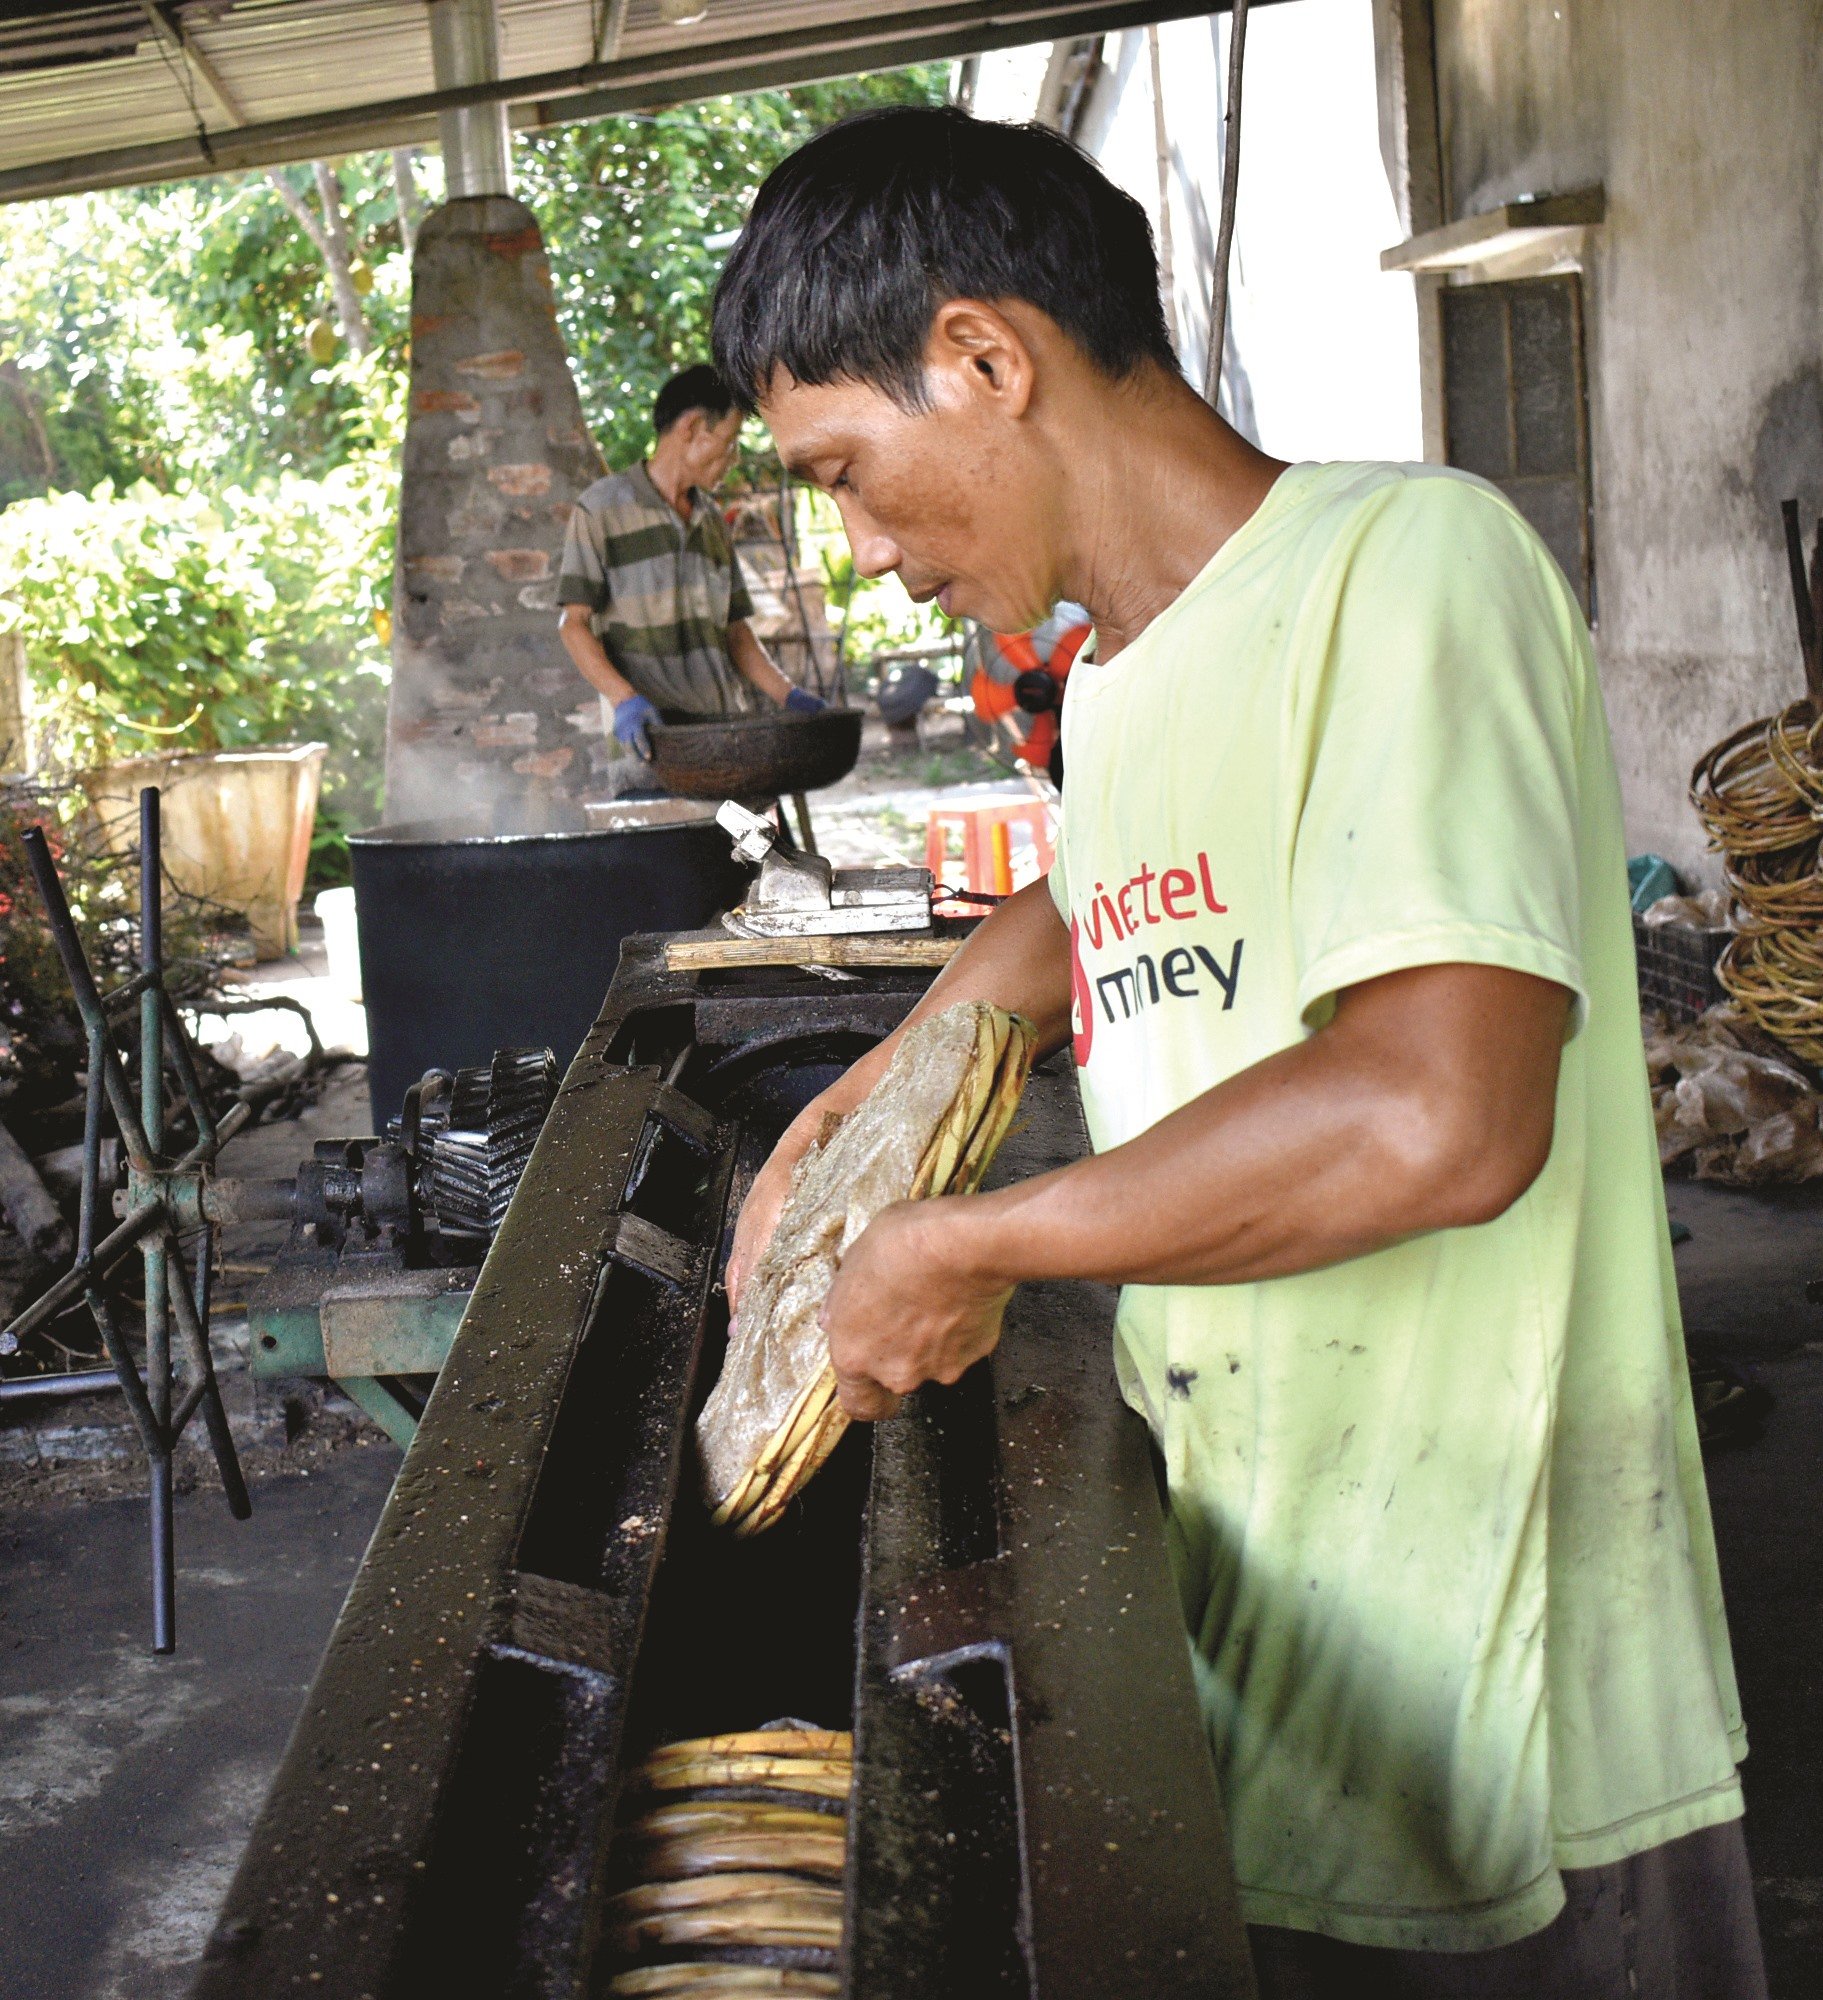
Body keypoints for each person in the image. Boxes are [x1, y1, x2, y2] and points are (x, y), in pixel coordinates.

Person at [711, 107, 1766, 1998]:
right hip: (1280, 1648)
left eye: (852, 475)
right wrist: (878, 1099)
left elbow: (1437, 1118)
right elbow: (1107, 888)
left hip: (1507, 1702)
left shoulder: (1405, 568)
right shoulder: (1118, 680)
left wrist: (965, 1245)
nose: (865, 555)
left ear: (983, 358)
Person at [556, 363, 823, 767]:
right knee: (668, 831)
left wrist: (788, 694)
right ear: (693, 428)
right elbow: (573, 625)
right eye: (730, 441)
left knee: (744, 832)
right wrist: (624, 700)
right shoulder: (600, 511)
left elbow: (735, 632)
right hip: (650, 750)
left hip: (723, 741)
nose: (733, 458)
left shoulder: (712, 520)